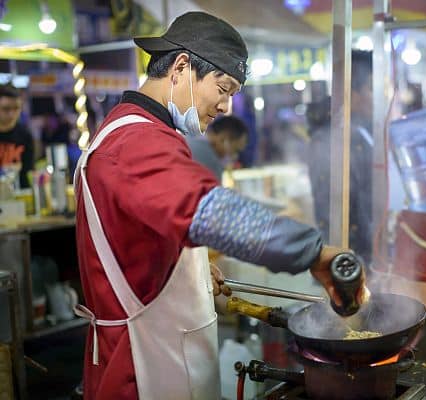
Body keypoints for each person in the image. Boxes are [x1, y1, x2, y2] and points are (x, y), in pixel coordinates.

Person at [74, 12, 366, 400]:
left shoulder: (132, 129)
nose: (227, 107)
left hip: (158, 357)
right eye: (223, 87)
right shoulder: (137, 143)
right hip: (140, 373)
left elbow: (131, 238)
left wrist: (181, 268)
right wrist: (315, 254)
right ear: (181, 66)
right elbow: (207, 210)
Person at [307, 50, 374, 265]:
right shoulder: (328, 140)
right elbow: (331, 210)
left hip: (366, 252)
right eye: (372, 89)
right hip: (346, 260)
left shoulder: (361, 133)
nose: (378, 97)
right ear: (352, 93)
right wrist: (350, 263)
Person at [185, 115, 248, 182]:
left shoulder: (189, 141)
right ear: (223, 138)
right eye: (236, 150)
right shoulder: (209, 159)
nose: (235, 157)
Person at [0, 83, 34, 189]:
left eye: (16, 108)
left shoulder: (25, 135)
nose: (12, 114)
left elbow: (29, 170)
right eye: (6, 109)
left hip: (20, 193)